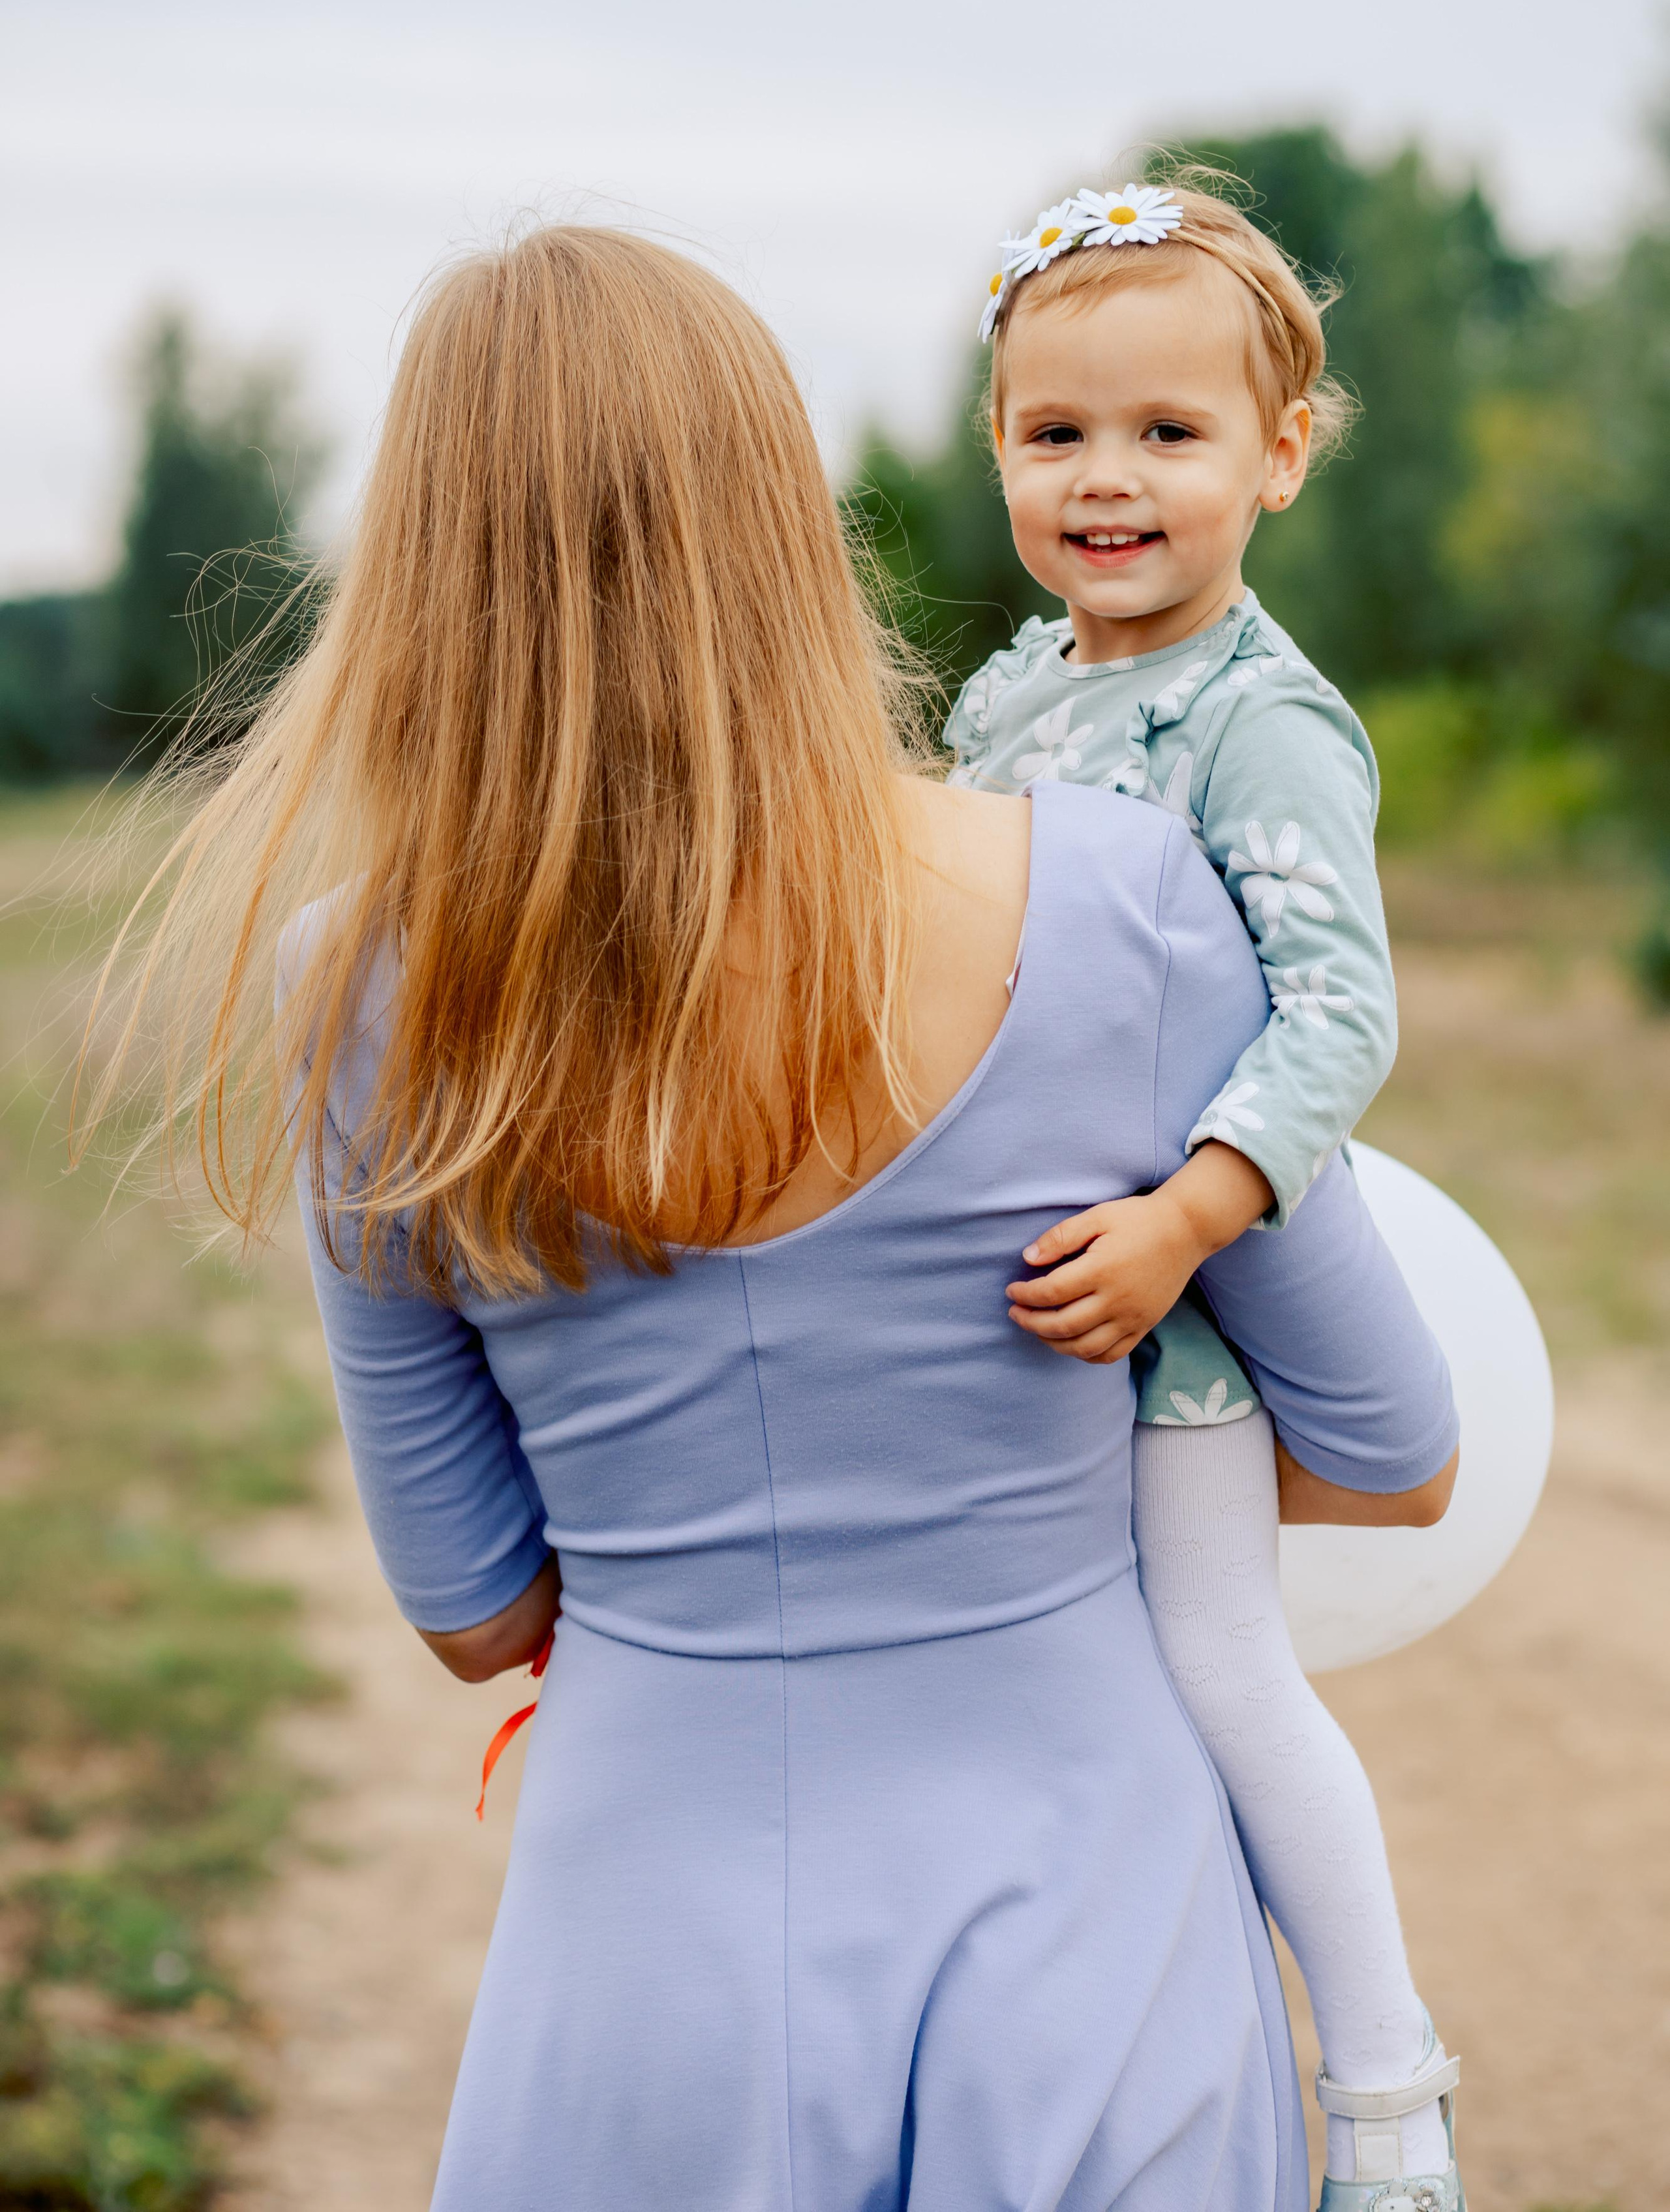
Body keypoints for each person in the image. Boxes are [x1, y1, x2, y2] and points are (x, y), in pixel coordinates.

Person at [86, 224, 1459, 2212]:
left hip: (643, 1968)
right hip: (1094, 1943)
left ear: (422, 572)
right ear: (782, 519)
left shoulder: (351, 994)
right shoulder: (1122, 902)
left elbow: (478, 1612)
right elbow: (1396, 1451)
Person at [947, 177, 1463, 2205]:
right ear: (997, 444)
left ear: (1281, 456)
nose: (1109, 480)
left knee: (1227, 1674)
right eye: (1058, 432)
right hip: (1009, 1308)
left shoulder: (1260, 722)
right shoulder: (1002, 703)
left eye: (1169, 435)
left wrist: (1192, 1213)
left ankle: (1388, 2087)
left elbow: (1341, 1013)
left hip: (1170, 1329)